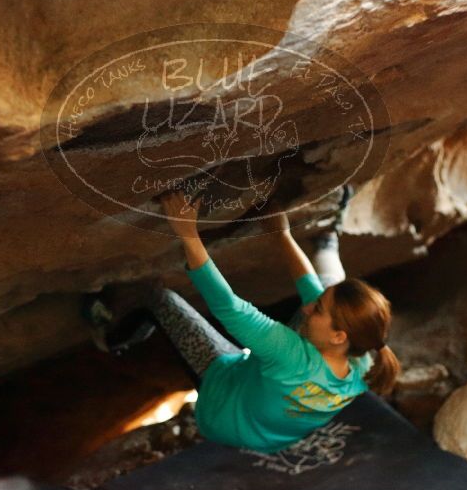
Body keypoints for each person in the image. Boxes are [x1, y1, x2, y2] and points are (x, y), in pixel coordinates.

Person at [85, 187, 401, 454]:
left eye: (318, 310)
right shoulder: (365, 358)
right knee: (328, 283)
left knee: (160, 298)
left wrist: (187, 232)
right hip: (277, 435)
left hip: (226, 416)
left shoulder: (287, 352)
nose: (307, 309)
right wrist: (282, 234)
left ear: (338, 337)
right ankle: (327, 242)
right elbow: (312, 290)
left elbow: (230, 308)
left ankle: (110, 337)